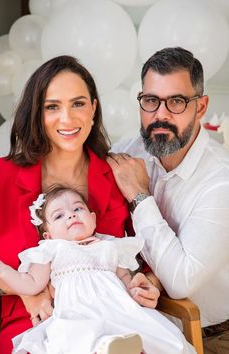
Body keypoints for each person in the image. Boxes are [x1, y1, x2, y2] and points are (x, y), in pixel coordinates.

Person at [0, 55, 159, 354]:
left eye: (78, 103)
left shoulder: (118, 176)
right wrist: (24, 290)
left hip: (115, 321)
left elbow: (148, 258)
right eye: (52, 106)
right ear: (37, 114)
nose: (67, 119)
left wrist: (147, 284)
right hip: (32, 323)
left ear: (94, 109)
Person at [108, 47, 229, 354]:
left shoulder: (221, 181)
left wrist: (140, 197)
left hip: (211, 336)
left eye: (176, 101)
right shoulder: (130, 151)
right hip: (142, 326)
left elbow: (180, 281)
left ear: (201, 107)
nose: (160, 115)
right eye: (151, 101)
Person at [0, 185, 195, 354]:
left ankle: (127, 347)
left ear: (93, 219)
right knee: (80, 335)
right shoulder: (51, 249)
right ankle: (106, 348)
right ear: (48, 235)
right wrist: (2, 271)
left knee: (149, 333)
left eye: (78, 209)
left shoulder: (109, 246)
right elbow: (30, 283)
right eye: (59, 216)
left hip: (119, 309)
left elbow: (124, 276)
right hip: (78, 313)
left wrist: (134, 288)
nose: (71, 215)